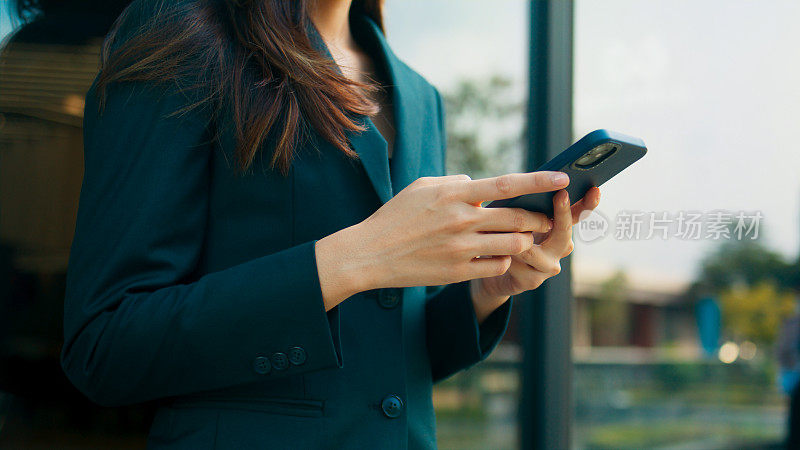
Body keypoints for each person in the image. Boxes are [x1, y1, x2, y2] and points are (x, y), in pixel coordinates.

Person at [60, 0, 602, 448]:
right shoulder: (183, 37)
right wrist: (354, 259)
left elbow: (389, 369)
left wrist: (487, 290)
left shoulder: (419, 96)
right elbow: (104, 345)